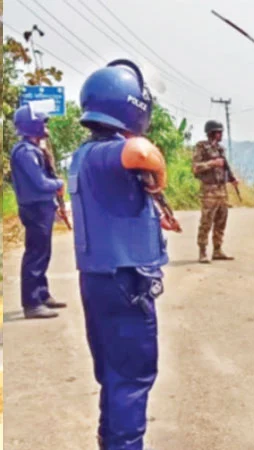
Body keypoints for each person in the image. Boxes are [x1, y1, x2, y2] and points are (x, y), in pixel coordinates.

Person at [69, 59, 181, 450]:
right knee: (131, 378)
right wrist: (161, 173)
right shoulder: (109, 151)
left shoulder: (86, 155)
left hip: (100, 279)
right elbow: (140, 151)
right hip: (124, 282)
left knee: (115, 376)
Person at [9, 104, 68, 319]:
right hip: (34, 209)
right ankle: (32, 303)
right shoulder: (25, 152)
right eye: (42, 122)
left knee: (43, 253)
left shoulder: (34, 149)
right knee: (35, 255)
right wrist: (58, 183)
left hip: (42, 208)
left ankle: (42, 294)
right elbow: (40, 182)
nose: (45, 126)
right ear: (32, 125)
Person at [193, 120, 238, 263]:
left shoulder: (220, 149)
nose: (221, 134)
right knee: (206, 221)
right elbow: (195, 168)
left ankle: (217, 250)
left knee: (221, 220)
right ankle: (202, 251)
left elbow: (225, 167)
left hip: (221, 190)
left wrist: (232, 179)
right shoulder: (201, 147)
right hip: (208, 190)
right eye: (219, 132)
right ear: (212, 133)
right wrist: (212, 163)